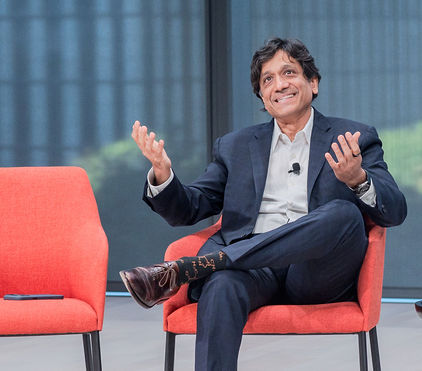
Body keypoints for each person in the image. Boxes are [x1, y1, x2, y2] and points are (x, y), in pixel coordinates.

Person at [119, 37, 407, 370]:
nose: (279, 84)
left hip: (317, 273)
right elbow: (191, 208)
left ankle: (204, 264)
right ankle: (218, 267)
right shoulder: (235, 146)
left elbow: (394, 211)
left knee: (345, 214)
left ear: (313, 83)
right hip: (251, 272)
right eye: (267, 79)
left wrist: (357, 179)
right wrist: (163, 173)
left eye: (289, 72)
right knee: (222, 285)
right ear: (262, 97)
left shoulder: (353, 137)